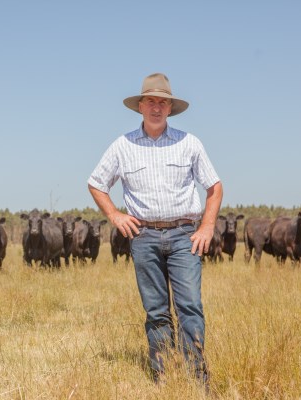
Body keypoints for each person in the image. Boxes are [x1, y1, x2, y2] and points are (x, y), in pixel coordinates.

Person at [87, 73, 223, 385]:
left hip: (183, 236)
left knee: (189, 305)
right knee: (156, 309)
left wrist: (207, 226)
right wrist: (116, 217)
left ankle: (197, 376)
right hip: (143, 236)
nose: (157, 107)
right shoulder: (122, 146)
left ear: (170, 108)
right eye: (151, 101)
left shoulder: (189, 143)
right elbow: (96, 183)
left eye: (163, 102)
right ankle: (163, 373)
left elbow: (214, 186)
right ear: (141, 106)